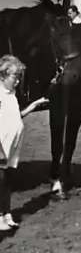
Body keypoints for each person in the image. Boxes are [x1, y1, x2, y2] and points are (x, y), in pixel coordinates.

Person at [0, 55, 48, 230]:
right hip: (1, 144)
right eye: (15, 76)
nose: (18, 81)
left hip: (12, 144)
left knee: (8, 180)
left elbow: (16, 116)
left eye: (19, 77)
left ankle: (7, 214)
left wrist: (33, 106)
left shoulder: (10, 94)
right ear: (3, 76)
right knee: (1, 179)